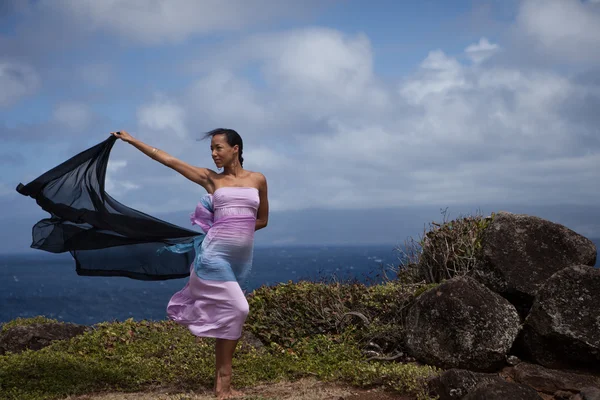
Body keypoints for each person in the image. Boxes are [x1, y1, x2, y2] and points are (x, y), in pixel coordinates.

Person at [110, 128, 269, 399]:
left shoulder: (258, 180)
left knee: (228, 316)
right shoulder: (211, 179)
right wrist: (133, 140)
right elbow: (170, 161)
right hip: (213, 257)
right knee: (240, 308)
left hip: (239, 260)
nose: (214, 153)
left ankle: (222, 387)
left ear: (235, 149)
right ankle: (224, 383)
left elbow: (263, 219)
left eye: (219, 147)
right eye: (212, 149)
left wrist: (236, 227)